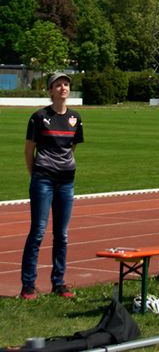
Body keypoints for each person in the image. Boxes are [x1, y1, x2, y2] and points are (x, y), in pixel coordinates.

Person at [20, 72, 84, 300]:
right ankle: (28, 285)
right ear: (50, 90)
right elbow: (29, 150)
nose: (63, 88)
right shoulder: (39, 117)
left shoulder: (75, 118)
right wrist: (36, 174)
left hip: (66, 181)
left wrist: (62, 167)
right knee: (38, 232)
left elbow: (71, 148)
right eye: (58, 85)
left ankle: (59, 282)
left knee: (62, 235)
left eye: (66, 84)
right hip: (43, 180)